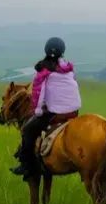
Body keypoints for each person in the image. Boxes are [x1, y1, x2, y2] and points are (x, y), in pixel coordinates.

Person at [10, 37, 82, 179]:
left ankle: (27, 165)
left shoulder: (43, 71)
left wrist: (37, 110)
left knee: (27, 130)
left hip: (56, 113)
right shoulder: (68, 69)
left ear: (46, 51)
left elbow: (38, 92)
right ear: (62, 51)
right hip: (73, 112)